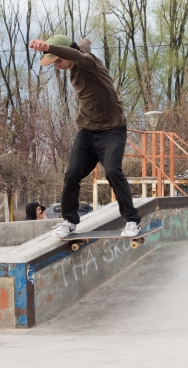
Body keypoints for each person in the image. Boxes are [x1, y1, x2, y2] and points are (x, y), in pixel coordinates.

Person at [29, 34, 141, 238]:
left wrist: (48, 46)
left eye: (59, 61)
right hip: (87, 133)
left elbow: (77, 53)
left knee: (113, 172)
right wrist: (85, 42)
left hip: (112, 131)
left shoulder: (89, 64)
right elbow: (79, 47)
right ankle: (69, 221)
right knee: (71, 174)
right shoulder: (77, 56)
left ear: (68, 54)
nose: (58, 67)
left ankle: (132, 220)